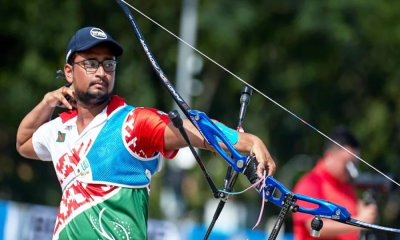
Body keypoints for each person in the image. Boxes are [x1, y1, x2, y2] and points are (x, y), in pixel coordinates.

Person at [15, 27, 276, 240]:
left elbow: (191, 130)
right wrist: (47, 102)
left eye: (109, 64)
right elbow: (24, 142)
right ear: (69, 72)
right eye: (91, 63)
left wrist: (245, 141)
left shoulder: (132, 123)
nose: (102, 72)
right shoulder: (61, 128)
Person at [293, 126, 377, 240]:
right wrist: (358, 221)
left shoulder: (347, 187)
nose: (351, 169)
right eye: (348, 163)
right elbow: (314, 225)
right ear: (329, 156)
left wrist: (362, 208)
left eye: (355, 164)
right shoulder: (310, 183)